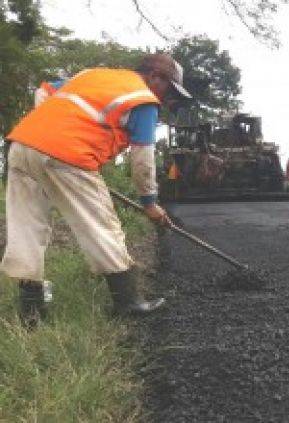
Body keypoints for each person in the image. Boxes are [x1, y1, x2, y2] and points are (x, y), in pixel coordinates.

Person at [1, 53, 192, 327]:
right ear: (155, 77)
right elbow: (143, 162)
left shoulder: (92, 75)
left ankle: (31, 312)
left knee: (26, 227)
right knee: (102, 225)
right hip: (68, 156)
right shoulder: (143, 100)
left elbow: (44, 90)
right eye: (169, 89)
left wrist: (47, 131)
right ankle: (128, 302)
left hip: (22, 146)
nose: (167, 99)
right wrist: (150, 203)